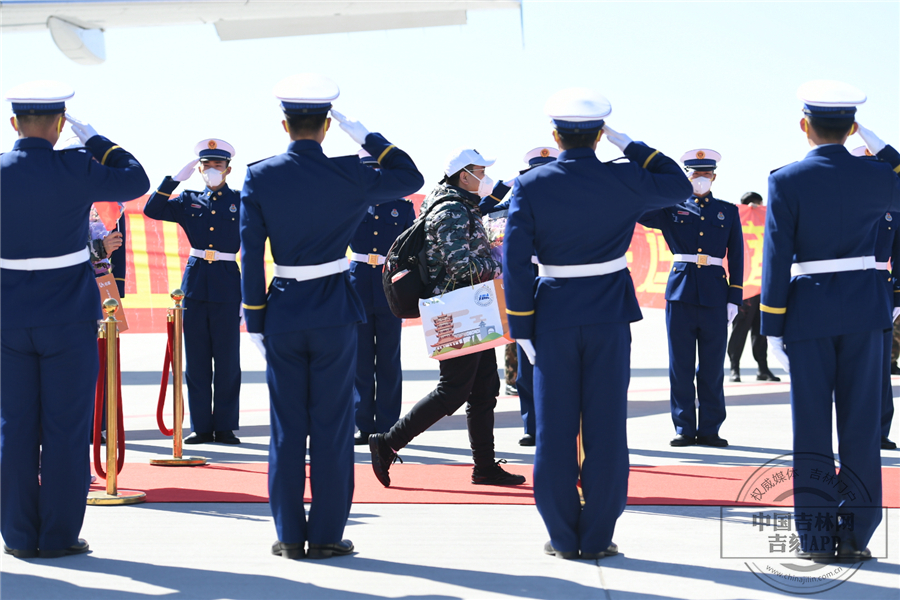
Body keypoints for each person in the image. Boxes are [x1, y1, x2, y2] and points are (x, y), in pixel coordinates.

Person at [241, 73, 424, 559]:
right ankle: (324, 534)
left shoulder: (260, 176)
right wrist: (365, 136)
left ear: (285, 125)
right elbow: (410, 177)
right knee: (332, 427)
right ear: (326, 126)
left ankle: (288, 534)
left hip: (283, 310)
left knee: (287, 428)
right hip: (334, 312)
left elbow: (250, 254)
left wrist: (255, 318)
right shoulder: (350, 173)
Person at [503, 87, 692, 559]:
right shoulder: (624, 177)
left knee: (554, 430)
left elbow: (515, 262)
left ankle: (563, 537)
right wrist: (629, 144)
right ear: (599, 134)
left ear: (555, 136)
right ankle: (598, 535)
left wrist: (521, 326)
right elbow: (678, 184)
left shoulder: (531, 184)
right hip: (608, 312)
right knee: (606, 428)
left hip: (553, 315)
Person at [1, 81, 149, 559]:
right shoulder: (76, 166)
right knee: (66, 429)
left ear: (13, 124)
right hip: (67, 319)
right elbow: (136, 179)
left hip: (7, 319)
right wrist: (95, 139)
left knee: (13, 429)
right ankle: (58, 535)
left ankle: (18, 536)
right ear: (61, 124)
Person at [761, 80, 900, 562]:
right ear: (852, 127)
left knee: (812, 430)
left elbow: (776, 257)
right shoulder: (878, 175)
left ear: (805, 125)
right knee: (861, 427)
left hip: (809, 311)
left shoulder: (786, 180)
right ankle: (856, 534)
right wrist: (875, 141)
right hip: (865, 308)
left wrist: (772, 325)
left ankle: (817, 538)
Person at [368, 148, 527, 488]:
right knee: (453, 390)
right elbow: (460, 267)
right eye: (480, 172)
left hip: (471, 306)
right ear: (463, 176)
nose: (485, 178)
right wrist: (500, 264)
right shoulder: (451, 210)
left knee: (484, 389)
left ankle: (484, 466)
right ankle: (387, 442)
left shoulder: (460, 205)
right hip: (456, 308)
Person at [639, 149, 743, 448]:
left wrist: (735, 297)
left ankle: (710, 428)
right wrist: (667, 186)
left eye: (706, 173)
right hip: (681, 293)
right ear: (686, 176)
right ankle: (684, 427)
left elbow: (737, 256)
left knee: (712, 367)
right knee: (680, 365)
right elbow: (640, 208)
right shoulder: (670, 208)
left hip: (716, 294)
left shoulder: (727, 211)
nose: (701, 178)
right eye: (695, 174)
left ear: (714, 176)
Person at [144, 139, 243, 445]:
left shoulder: (241, 200)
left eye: (218, 165)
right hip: (196, 283)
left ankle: (225, 426)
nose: (212, 169)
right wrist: (173, 180)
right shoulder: (188, 200)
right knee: (197, 360)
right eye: (207, 165)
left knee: (227, 361)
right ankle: (201, 426)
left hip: (227, 283)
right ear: (199, 169)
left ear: (228, 169)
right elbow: (152, 209)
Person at [487, 146, 560, 447]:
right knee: (526, 357)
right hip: (524, 279)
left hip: (558, 280)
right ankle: (532, 425)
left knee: (561, 355)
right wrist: (503, 186)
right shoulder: (516, 199)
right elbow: (483, 210)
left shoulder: (568, 200)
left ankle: (559, 423)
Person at [350, 150, 415, 445]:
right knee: (360, 358)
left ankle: (388, 425)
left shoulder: (402, 207)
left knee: (388, 357)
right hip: (358, 284)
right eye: (369, 170)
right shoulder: (350, 204)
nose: (374, 175)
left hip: (390, 285)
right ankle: (362, 423)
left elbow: (412, 249)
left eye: (378, 170)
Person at [851, 145, 900, 452]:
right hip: (847, 285)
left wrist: (898, 296)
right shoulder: (841, 203)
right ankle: (851, 429)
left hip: (880, 288)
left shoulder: (893, 208)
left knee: (880, 364)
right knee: (849, 363)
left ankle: (880, 430)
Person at [727, 192, 780, 383]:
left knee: (761, 331)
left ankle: (762, 369)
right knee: (740, 330)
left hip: (762, 287)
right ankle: (734, 368)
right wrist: (748, 212)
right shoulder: (736, 222)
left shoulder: (765, 225)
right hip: (744, 287)